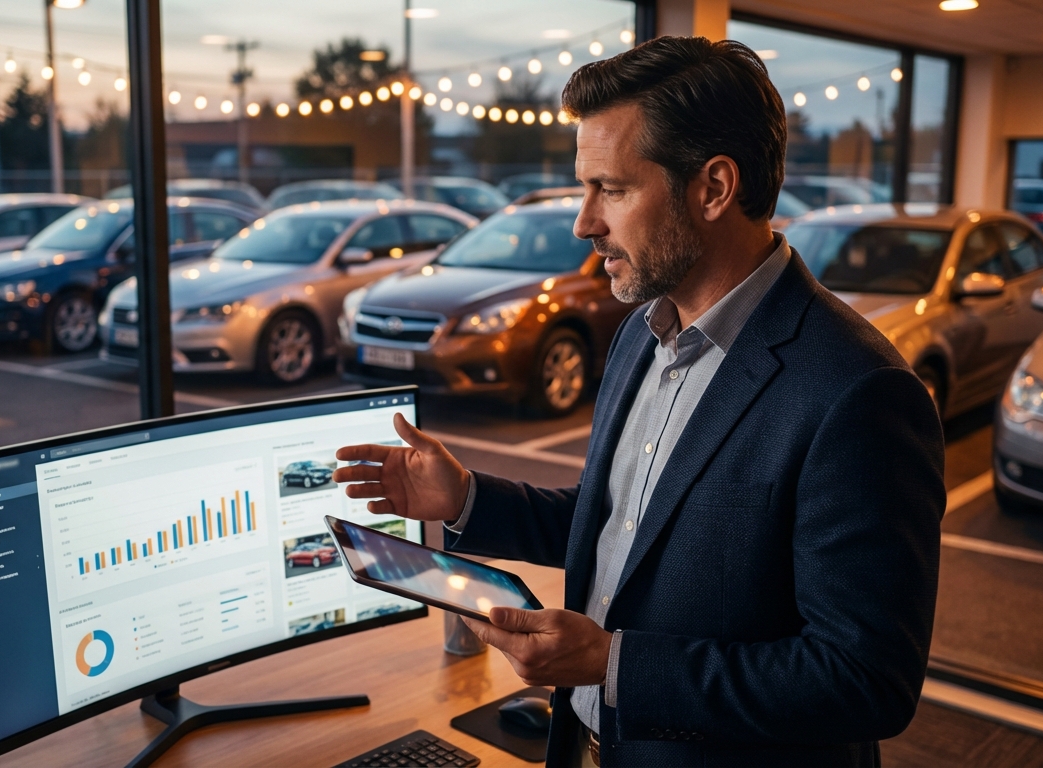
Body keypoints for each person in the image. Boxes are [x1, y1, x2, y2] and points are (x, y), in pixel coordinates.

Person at [335, 36, 944, 768]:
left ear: (714, 188)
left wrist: (616, 666)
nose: (583, 223)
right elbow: (623, 526)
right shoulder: (641, 332)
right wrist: (465, 498)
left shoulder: (859, 393)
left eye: (611, 190)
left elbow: (865, 681)